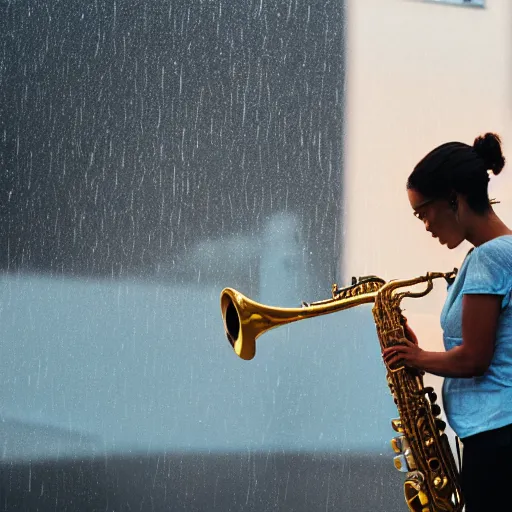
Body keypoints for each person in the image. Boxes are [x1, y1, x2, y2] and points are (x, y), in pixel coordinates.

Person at [382, 132, 512, 512]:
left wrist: (416, 357)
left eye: (423, 212)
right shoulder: (500, 252)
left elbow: (474, 358)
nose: (425, 225)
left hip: (496, 445)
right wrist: (418, 351)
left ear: (453, 198)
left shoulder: (489, 258)